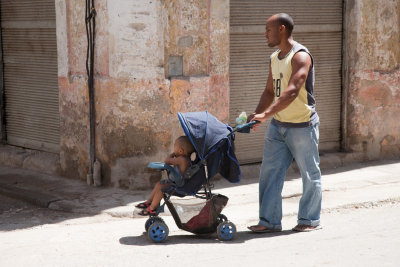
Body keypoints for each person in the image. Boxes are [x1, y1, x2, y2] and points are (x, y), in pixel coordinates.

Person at [247, 13, 322, 232]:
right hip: (278, 125)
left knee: (310, 174)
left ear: (281, 29)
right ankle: (269, 221)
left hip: (302, 126)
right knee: (269, 173)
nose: (265, 34)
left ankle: (309, 220)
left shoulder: (300, 56)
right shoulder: (274, 57)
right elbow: (270, 90)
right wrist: (258, 114)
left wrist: (266, 114)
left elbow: (291, 92)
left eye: (268, 29)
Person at [136, 136, 195, 216]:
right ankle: (148, 202)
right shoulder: (184, 159)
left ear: (180, 151)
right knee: (159, 184)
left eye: (174, 147)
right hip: (176, 182)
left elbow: (167, 161)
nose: (173, 149)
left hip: (179, 184)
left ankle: (152, 208)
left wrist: (173, 154)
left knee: (161, 190)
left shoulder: (182, 159)